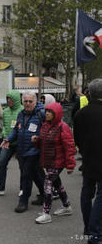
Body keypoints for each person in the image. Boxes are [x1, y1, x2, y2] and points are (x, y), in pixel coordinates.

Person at [1, 91, 45, 213]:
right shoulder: (21, 114)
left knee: (26, 176)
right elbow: (16, 130)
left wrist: (39, 139)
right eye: (25, 101)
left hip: (34, 151)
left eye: (30, 101)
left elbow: (48, 130)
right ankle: (45, 194)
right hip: (22, 150)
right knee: (35, 175)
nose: (28, 103)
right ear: (22, 102)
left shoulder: (41, 114)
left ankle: (23, 201)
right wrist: (8, 139)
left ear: (35, 102)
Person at [32, 102, 76, 224]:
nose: (47, 113)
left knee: (48, 183)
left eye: (50, 112)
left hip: (58, 162)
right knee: (57, 184)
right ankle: (67, 206)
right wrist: (36, 140)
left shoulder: (63, 127)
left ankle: (46, 213)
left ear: (56, 114)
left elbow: (69, 146)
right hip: (48, 161)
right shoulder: (45, 126)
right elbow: (43, 143)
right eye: (46, 111)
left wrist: (70, 165)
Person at [74, 78, 102, 244]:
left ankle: (87, 226)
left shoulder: (80, 114)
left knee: (87, 192)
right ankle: (95, 231)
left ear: (89, 93)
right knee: (100, 195)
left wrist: (84, 151)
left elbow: (76, 138)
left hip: (88, 158)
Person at [0, 90, 23, 196]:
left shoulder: (22, 111)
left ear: (16, 100)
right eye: (7, 99)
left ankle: (23, 188)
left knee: (23, 166)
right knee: (1, 163)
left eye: (11, 99)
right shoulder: (6, 111)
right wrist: (3, 133)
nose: (9, 101)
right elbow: (4, 125)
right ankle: (0, 188)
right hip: (7, 142)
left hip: (20, 143)